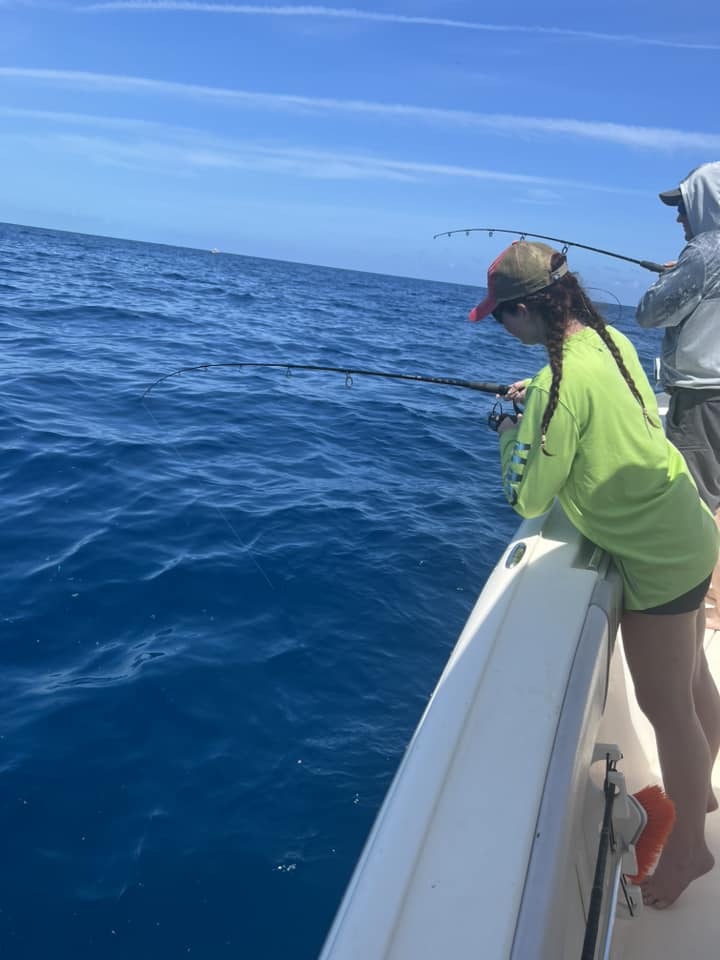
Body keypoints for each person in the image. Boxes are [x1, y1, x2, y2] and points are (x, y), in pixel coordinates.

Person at [469, 240, 720, 908]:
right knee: (693, 678)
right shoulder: (604, 341)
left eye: (500, 317)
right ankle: (708, 787)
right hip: (690, 527)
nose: (501, 327)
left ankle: (692, 848)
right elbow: (602, 405)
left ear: (525, 311)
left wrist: (507, 429)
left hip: (658, 558)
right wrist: (542, 402)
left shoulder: (557, 383)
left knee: (665, 706)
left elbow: (528, 499)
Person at [636, 161, 720, 631]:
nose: (679, 219)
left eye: (684, 206)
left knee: (697, 500)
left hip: (704, 397)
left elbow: (652, 314)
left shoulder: (705, 250)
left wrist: (667, 280)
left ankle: (699, 607)